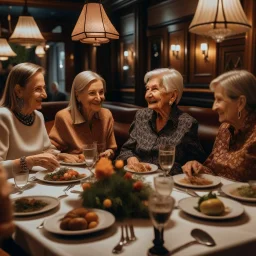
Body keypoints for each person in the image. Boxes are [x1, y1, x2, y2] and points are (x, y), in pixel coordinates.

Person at [117, 68, 206, 175]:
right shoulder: (141, 116)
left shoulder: (187, 123)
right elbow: (126, 149)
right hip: (138, 178)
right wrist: (130, 158)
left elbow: (198, 162)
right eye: (147, 89)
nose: (147, 95)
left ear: (172, 96)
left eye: (154, 89)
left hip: (168, 180)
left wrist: (192, 164)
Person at [182, 70, 256, 182]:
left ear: (240, 102)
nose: (214, 107)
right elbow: (213, 170)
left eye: (219, 100)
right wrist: (198, 167)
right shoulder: (225, 128)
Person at [0, 62, 60, 178]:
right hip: (10, 190)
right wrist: (29, 161)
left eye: (44, 88)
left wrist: (62, 156)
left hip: (35, 183)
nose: (45, 95)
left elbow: (47, 150)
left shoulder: (38, 116)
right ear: (19, 91)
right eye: (38, 89)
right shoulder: (3, 117)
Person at [49, 71, 117, 158]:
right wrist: (64, 156)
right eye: (92, 93)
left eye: (101, 92)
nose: (99, 98)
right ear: (78, 95)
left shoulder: (106, 115)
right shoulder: (63, 116)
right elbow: (50, 150)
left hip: (98, 169)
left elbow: (112, 149)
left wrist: (109, 152)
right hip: (72, 169)